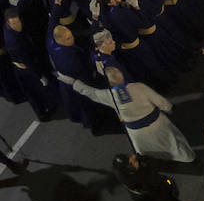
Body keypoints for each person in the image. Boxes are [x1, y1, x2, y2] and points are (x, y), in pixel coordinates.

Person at [64, 67, 195, 162]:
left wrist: (74, 83)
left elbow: (90, 92)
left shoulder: (109, 96)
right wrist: (168, 108)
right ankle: (187, 158)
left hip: (137, 131)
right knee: (172, 142)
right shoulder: (138, 87)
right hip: (156, 123)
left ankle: (152, 161)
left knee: (147, 149)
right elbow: (159, 101)